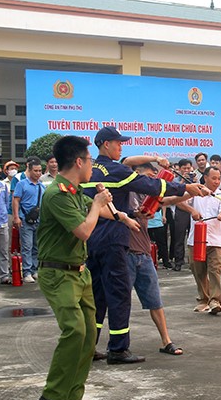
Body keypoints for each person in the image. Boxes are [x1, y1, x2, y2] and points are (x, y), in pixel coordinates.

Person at [82, 126, 206, 365]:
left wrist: (132, 210)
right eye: (118, 142)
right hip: (113, 240)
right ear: (105, 144)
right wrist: (186, 188)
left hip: (92, 238)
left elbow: (111, 197)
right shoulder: (115, 169)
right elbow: (152, 187)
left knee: (97, 297)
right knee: (119, 295)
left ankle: (88, 346)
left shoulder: (93, 169)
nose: (121, 146)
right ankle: (118, 349)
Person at [34, 135, 114, 400]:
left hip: (79, 273)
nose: (92, 165)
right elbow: (83, 230)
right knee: (75, 330)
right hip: (58, 273)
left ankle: (71, 395)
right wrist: (96, 205)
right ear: (79, 161)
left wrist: (125, 216)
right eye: (90, 160)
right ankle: (51, 395)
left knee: (89, 333)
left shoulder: (75, 191)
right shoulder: (56, 194)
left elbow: (100, 212)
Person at [183, 167, 221, 313]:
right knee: (198, 270)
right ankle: (203, 299)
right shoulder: (196, 192)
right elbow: (178, 201)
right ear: (205, 178)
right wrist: (192, 211)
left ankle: (215, 301)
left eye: (219, 179)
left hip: (214, 240)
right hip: (196, 239)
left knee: (215, 270)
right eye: (213, 178)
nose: (217, 182)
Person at [12, 158, 44, 284]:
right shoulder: (22, 184)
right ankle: (27, 272)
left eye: (40, 171)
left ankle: (34, 269)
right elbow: (16, 200)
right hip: (25, 219)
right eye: (35, 171)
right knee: (27, 246)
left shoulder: (42, 186)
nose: (38, 173)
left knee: (37, 246)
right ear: (29, 171)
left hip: (39, 219)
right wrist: (16, 217)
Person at [170, 159, 195, 271]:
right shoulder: (175, 181)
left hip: (193, 209)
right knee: (179, 237)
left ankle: (193, 262)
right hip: (181, 209)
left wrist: (193, 181)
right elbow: (175, 193)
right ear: (179, 169)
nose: (186, 170)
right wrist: (182, 182)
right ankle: (178, 261)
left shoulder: (195, 179)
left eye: (188, 168)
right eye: (184, 168)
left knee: (193, 237)